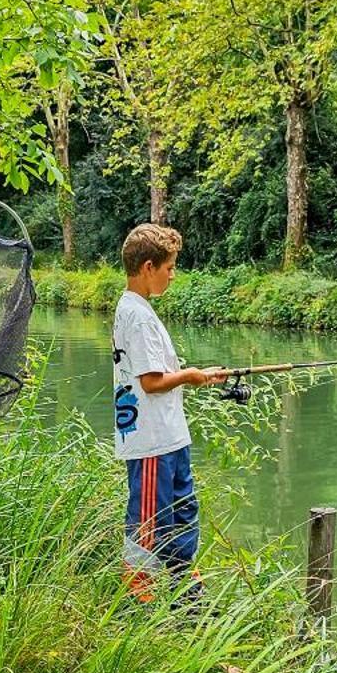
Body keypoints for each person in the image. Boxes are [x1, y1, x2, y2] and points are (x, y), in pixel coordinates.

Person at [111, 224, 227, 602]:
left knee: (181, 514)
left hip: (169, 435)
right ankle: (140, 608)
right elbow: (152, 381)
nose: (172, 275)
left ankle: (185, 596)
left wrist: (197, 374)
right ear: (148, 267)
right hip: (150, 441)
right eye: (170, 267)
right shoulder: (138, 315)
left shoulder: (137, 310)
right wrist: (192, 377)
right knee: (149, 525)